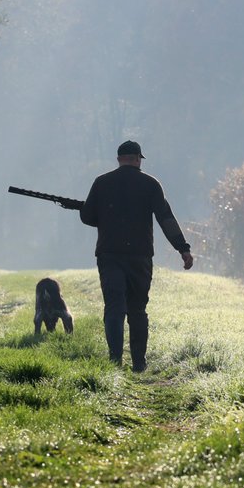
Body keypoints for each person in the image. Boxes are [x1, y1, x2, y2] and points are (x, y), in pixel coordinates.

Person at [79, 140, 193, 372]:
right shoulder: (151, 184)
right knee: (137, 309)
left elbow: (88, 217)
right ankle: (139, 363)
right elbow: (166, 219)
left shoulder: (101, 182)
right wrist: (183, 248)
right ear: (138, 159)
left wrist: (100, 212)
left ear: (119, 159)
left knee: (114, 307)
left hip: (109, 254)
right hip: (140, 256)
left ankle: (114, 361)